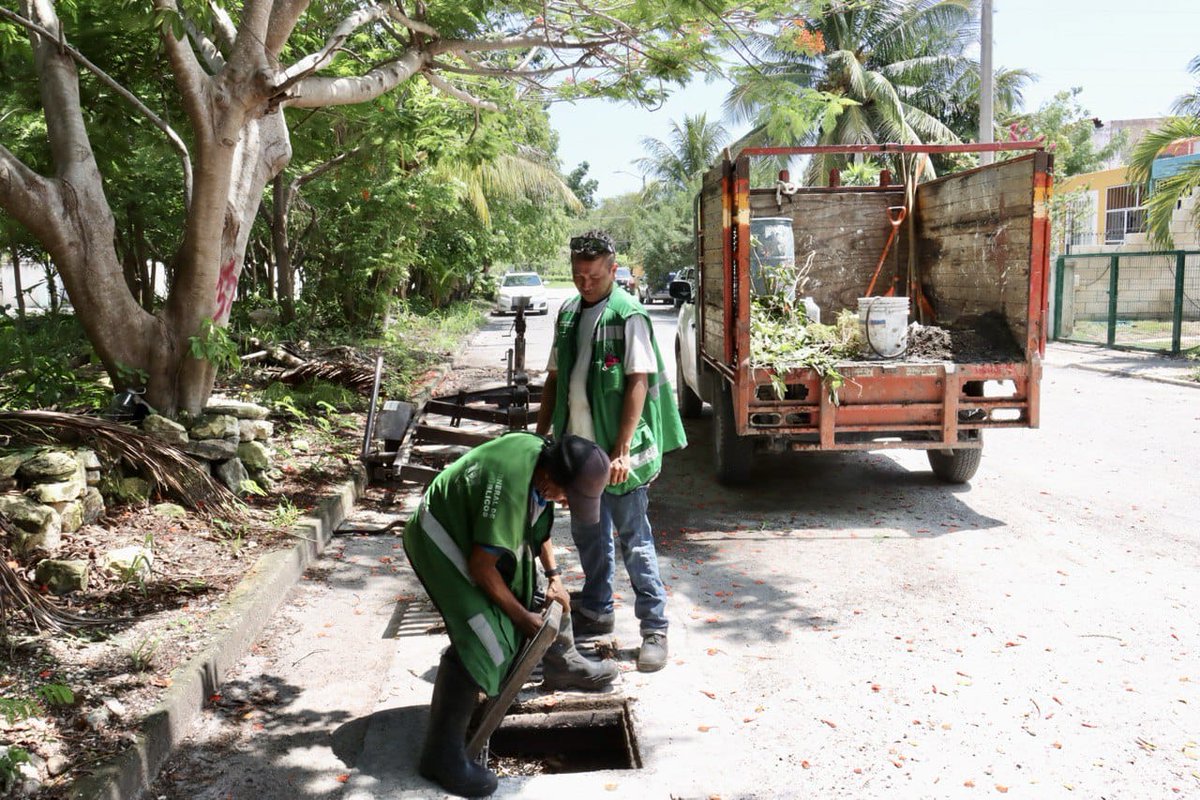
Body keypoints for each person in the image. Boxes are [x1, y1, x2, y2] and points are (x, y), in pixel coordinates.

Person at [403, 432, 618, 798]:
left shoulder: (543, 465)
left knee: (536, 593)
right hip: (442, 538)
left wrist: (554, 578)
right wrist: (522, 619)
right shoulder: (507, 489)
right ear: (551, 479)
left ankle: (563, 665)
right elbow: (482, 568)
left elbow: (539, 521)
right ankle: (441, 756)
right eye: (568, 494)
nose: (567, 502)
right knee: (485, 639)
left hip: (476, 534)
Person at [536, 229, 687, 673]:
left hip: (619, 462)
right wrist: (539, 434)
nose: (585, 284)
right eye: (578, 275)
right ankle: (598, 609)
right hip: (578, 458)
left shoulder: (628, 315)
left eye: (594, 276)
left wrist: (622, 451)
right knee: (588, 537)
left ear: (613, 271)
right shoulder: (566, 314)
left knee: (633, 542)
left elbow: (638, 382)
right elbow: (553, 379)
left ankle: (654, 629)